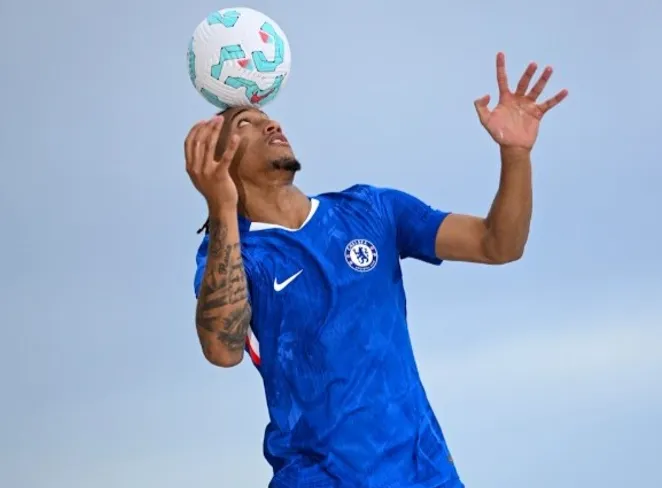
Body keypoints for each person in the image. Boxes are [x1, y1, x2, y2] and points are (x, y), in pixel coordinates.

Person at [185, 52, 567, 488]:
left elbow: (498, 244)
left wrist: (515, 155)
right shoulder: (237, 253)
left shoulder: (371, 209)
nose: (271, 126)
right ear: (217, 161)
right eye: (246, 125)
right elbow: (222, 351)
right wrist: (221, 206)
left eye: (268, 118)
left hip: (425, 475)